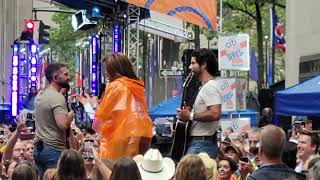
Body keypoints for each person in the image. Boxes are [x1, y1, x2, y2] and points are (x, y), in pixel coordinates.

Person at [77, 53, 153, 160]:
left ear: (115, 69)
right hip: (136, 138)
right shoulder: (136, 87)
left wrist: (90, 105)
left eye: (107, 69)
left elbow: (103, 118)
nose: (106, 73)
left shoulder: (115, 87)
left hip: (116, 141)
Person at [176, 48, 221, 158]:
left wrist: (190, 115)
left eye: (193, 63)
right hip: (200, 142)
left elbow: (215, 113)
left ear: (204, 65)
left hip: (202, 144)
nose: (190, 67)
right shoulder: (204, 86)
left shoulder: (210, 86)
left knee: (187, 173)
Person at [33, 63, 74, 179]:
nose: (69, 77)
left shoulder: (40, 95)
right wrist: (71, 115)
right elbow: (62, 125)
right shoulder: (57, 98)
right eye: (65, 74)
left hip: (38, 149)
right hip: (54, 149)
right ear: (55, 77)